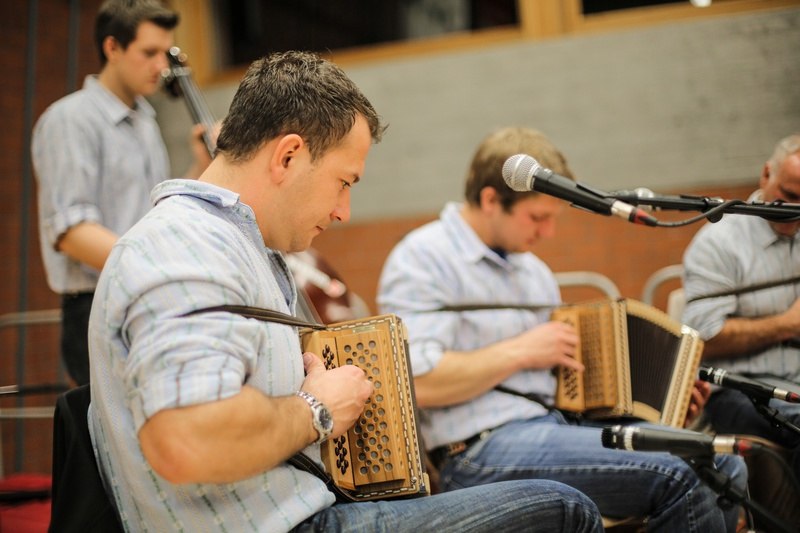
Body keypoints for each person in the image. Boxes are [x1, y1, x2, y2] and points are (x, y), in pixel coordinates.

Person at [86, 52, 604, 532]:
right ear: (288, 156)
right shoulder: (185, 247)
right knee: (565, 510)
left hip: (305, 508)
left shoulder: (233, 244)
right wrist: (315, 408)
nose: (343, 211)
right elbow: (186, 439)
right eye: (344, 182)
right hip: (282, 525)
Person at [377, 126, 748, 532]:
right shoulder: (422, 257)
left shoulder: (533, 271)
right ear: (490, 200)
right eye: (538, 218)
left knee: (721, 464)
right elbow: (419, 383)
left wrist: (664, 403)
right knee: (685, 472)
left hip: (557, 426)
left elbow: (564, 386)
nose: (548, 233)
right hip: (477, 449)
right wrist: (523, 351)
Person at [31, 0, 212, 386]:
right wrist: (157, 268)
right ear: (112, 47)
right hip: (97, 304)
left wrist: (201, 166)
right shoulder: (70, 119)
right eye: (149, 53)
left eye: (165, 52)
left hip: (142, 295)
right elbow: (71, 232)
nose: (161, 66)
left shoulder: (145, 121)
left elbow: (156, 214)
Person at [682, 133, 800, 477]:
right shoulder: (719, 243)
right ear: (766, 174)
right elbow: (704, 338)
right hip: (739, 390)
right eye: (790, 196)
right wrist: (788, 324)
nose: (796, 212)